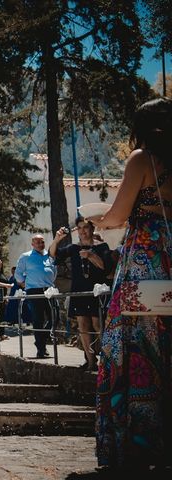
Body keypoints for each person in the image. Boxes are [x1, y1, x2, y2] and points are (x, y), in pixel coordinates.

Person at [89, 97, 172, 471]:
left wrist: (101, 223)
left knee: (135, 342)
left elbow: (119, 213)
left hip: (144, 260)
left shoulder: (142, 159)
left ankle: (139, 439)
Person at [49, 218, 109, 371]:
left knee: (98, 325)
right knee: (83, 326)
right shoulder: (73, 248)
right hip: (79, 291)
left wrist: (91, 256)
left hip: (97, 292)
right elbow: (53, 254)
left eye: (86, 227)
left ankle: (106, 361)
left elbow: (105, 267)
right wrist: (56, 240)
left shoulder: (102, 246)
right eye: (80, 228)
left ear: (92, 229)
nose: (82, 231)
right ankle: (90, 361)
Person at [14, 234, 57, 358]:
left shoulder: (49, 256)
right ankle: (41, 349)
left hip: (49, 290)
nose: (40, 244)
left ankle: (41, 339)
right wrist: (25, 285)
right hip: (34, 291)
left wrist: (49, 282)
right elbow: (18, 274)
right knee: (38, 320)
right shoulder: (26, 257)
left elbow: (54, 272)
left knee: (55, 317)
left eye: (42, 241)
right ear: (32, 244)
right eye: (37, 242)